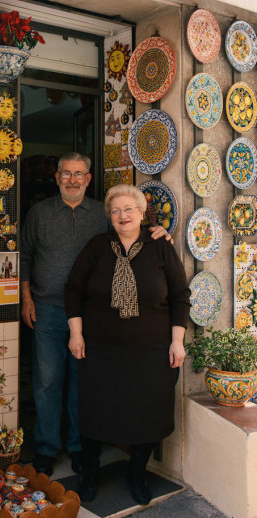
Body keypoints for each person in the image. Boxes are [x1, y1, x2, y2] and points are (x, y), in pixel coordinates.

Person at [20, 153, 170, 477]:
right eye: (66, 173)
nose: (72, 179)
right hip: (46, 310)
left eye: (79, 174)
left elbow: (131, 234)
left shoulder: (102, 214)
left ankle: (77, 447)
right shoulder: (39, 213)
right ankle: (46, 449)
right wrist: (26, 299)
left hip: (90, 314)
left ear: (88, 179)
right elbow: (26, 259)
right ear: (56, 176)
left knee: (81, 383)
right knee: (47, 382)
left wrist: (160, 232)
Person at [65, 184, 190, 504]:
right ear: (110, 216)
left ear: (141, 213)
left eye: (129, 209)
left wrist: (177, 341)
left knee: (148, 414)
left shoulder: (160, 246)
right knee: (95, 412)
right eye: (116, 210)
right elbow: (74, 290)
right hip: (101, 352)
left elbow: (179, 295)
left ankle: (137, 473)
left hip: (151, 353)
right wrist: (76, 333)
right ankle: (90, 474)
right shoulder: (97, 247)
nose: (122, 215)